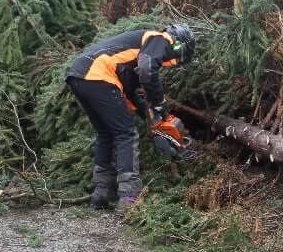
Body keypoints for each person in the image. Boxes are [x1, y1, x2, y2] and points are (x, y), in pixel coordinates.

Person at [64, 21, 196, 210]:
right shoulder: (161, 39)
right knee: (126, 133)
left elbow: (131, 93)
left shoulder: (135, 55)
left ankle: (102, 193)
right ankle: (129, 197)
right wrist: (159, 104)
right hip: (99, 75)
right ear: (181, 46)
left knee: (105, 133)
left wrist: (153, 118)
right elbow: (147, 70)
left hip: (79, 75)